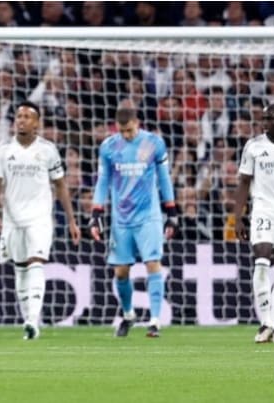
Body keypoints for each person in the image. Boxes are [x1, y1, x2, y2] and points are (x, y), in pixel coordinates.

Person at [0, 101, 81, 340]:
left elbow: (60, 185)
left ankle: (32, 320)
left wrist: (71, 220)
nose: (21, 120)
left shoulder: (48, 150)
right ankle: (28, 322)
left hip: (40, 217)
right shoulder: (3, 149)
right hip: (12, 219)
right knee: (20, 269)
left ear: (37, 123)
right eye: (19, 116)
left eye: (27, 116)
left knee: (36, 262)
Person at [89, 101, 178, 338]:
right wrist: (96, 214)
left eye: (129, 130)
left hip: (149, 215)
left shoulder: (154, 143)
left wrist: (172, 212)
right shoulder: (109, 147)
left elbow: (164, 178)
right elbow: (103, 181)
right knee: (121, 272)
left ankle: (155, 321)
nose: (126, 135)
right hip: (121, 219)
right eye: (122, 131)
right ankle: (129, 314)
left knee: (152, 263)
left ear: (137, 123)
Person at [234, 104, 274, 343]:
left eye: (271, 118)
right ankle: (265, 321)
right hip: (263, 210)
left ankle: (273, 325)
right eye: (264, 118)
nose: (265, 122)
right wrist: (238, 217)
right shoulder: (253, 146)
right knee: (262, 260)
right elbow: (244, 182)